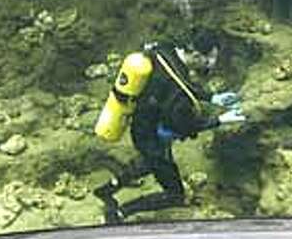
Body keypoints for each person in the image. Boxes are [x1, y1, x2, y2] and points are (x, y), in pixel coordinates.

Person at [93, 35, 246, 224]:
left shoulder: (166, 51)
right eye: (210, 58)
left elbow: (182, 84)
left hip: (142, 127)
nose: (212, 63)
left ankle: (106, 190)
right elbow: (184, 125)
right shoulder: (177, 92)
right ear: (197, 55)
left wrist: (211, 97)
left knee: (150, 163)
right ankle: (120, 213)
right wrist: (219, 120)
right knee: (174, 194)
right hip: (151, 138)